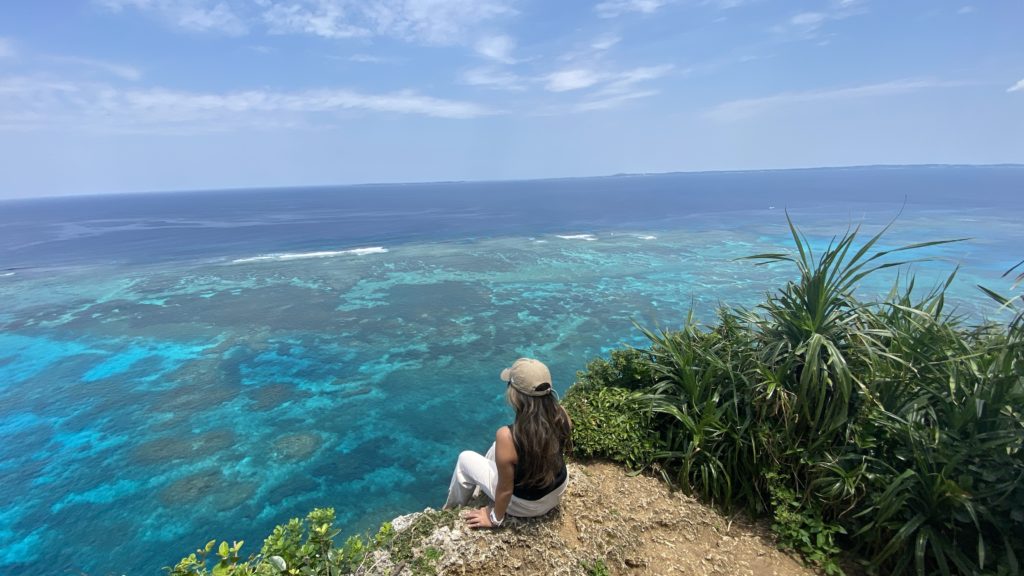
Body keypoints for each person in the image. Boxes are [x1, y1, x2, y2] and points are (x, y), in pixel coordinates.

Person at [443, 357, 573, 529]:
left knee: (465, 458)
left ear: (516, 395)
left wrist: (494, 518)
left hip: (527, 506)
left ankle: (450, 509)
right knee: (497, 448)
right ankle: (478, 489)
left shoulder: (507, 435)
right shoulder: (561, 415)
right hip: (556, 491)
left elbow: (505, 490)